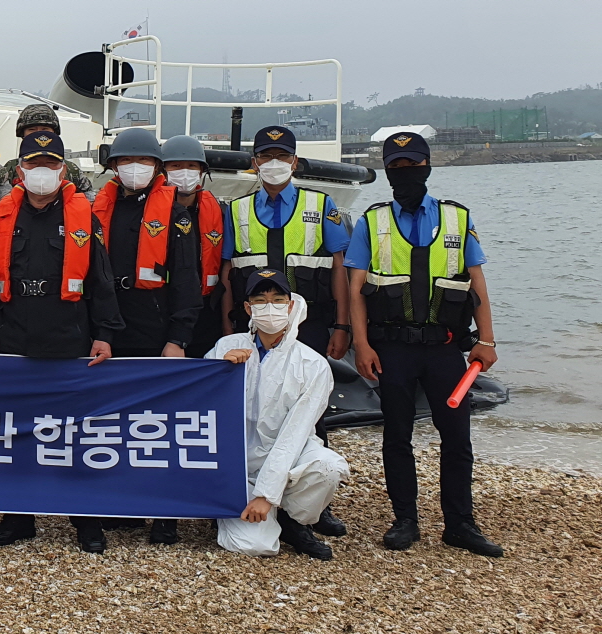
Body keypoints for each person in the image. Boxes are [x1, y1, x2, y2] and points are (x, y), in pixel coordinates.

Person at [346, 131, 502, 557]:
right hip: (391, 349)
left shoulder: (457, 218)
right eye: (396, 166)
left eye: (412, 164)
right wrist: (361, 345)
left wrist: (486, 340)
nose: (405, 172)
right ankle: (405, 520)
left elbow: (477, 283)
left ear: (427, 165)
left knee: (457, 437)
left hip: (444, 349)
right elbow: (356, 289)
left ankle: (460, 524)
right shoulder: (373, 222)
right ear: (386, 171)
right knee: (397, 435)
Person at [0, 131, 126, 554]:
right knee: (16, 432)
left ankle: (85, 519)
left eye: (49, 164)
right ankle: (18, 517)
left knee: (76, 434)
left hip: (69, 336)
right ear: (19, 169)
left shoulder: (82, 215)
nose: (41, 171)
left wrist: (104, 334)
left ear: (63, 170)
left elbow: (100, 277)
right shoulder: (5, 214)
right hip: (15, 334)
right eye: (33, 164)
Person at [220, 124, 353, 539]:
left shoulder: (321, 205)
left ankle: (312, 507)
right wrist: (228, 326)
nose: (273, 163)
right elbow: (227, 273)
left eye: (282, 156)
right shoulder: (237, 209)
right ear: (254, 162)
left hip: (309, 326)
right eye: (266, 156)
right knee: (253, 406)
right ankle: (247, 485)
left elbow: (339, 269)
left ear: (295, 162)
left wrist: (343, 324)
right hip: (253, 324)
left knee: (313, 413)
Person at [91, 128, 202, 544]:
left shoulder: (176, 214)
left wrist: (179, 338)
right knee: (115, 422)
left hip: (155, 328)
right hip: (110, 327)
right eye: (125, 161)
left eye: (143, 161)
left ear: (157, 167)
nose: (133, 168)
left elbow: (187, 280)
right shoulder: (98, 209)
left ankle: (166, 514)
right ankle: (126, 505)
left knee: (159, 425)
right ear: (113, 167)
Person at [209, 270, 350, 560]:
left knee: (328, 468)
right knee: (256, 546)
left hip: (289, 457)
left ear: (290, 305)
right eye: (260, 300)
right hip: (238, 465)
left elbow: (294, 434)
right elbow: (198, 402)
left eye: (277, 299)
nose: (269, 307)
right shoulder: (226, 348)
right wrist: (218, 371)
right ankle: (235, 510)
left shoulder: (312, 364)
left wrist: (267, 495)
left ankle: (292, 519)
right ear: (248, 308)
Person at [160, 135, 227, 359]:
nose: (184, 172)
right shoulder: (150, 213)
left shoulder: (219, 213)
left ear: (201, 172)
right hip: (162, 310)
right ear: (163, 170)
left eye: (191, 166)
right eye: (176, 166)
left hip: (206, 313)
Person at [2, 103, 95, 197]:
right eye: (32, 129)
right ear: (23, 134)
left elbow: (89, 196)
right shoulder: (11, 168)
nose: (39, 134)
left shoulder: (71, 170)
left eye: (45, 129)